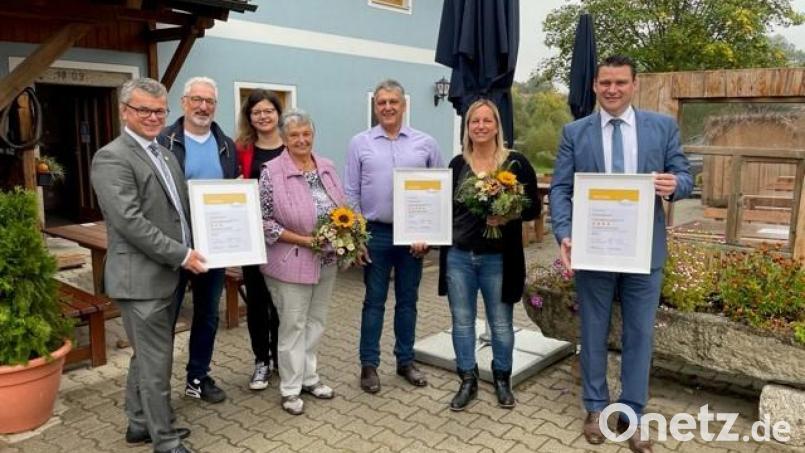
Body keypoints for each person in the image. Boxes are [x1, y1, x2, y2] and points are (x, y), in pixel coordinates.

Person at [550, 55, 692, 453]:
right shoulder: (574, 132)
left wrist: (674, 184)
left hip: (644, 252)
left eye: (620, 83)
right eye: (605, 83)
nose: (612, 90)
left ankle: (632, 414)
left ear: (634, 85)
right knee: (592, 330)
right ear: (595, 85)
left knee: (640, 335)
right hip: (594, 250)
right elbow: (560, 189)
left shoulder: (661, 128)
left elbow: (684, 175)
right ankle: (595, 407)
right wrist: (563, 232)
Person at [91, 77, 205, 453]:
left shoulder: (165, 154)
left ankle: (139, 424)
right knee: (157, 362)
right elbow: (130, 222)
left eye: (160, 111)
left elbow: (180, 211)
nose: (154, 117)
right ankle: (165, 440)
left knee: (147, 355)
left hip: (167, 275)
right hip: (141, 279)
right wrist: (182, 255)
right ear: (125, 111)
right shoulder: (112, 157)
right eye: (144, 110)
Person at [437, 99, 539, 411]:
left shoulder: (515, 163)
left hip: (499, 259)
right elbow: (441, 209)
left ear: (497, 125)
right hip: (459, 257)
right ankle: (467, 379)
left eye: (486, 121)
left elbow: (534, 206)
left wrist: (508, 215)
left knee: (501, 323)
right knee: (463, 322)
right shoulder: (457, 164)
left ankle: (501, 378)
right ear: (467, 128)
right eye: (474, 122)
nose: (480, 126)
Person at [345, 79, 444, 394]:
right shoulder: (359, 143)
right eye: (382, 102)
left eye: (393, 102)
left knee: (408, 301)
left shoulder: (425, 143)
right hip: (375, 233)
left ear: (404, 105)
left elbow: (438, 189)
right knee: (373, 302)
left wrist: (428, 232)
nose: (387, 107)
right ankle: (369, 365)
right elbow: (351, 192)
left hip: (413, 237)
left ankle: (405, 361)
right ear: (376, 107)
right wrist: (356, 238)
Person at [259, 109, 345, 415]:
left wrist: (347, 234)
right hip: (290, 261)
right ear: (283, 138)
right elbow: (264, 222)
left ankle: (310, 378)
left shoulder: (327, 166)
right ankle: (290, 389)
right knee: (293, 326)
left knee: (316, 322)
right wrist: (306, 240)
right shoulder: (271, 171)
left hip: (327, 260)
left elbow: (342, 206)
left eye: (306, 133)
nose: (301, 139)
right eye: (294, 134)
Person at [158, 76, 238, 404]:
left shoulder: (226, 144)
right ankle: (156, 387)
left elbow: (232, 190)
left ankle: (197, 377)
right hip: (174, 247)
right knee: (165, 318)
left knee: (207, 315)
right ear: (184, 102)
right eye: (197, 100)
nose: (203, 107)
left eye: (209, 101)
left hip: (213, 247)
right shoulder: (164, 140)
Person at [235, 90, 285, 390]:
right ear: (249, 117)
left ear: (278, 113)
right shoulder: (241, 149)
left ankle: (283, 357)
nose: (263, 116)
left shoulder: (291, 146)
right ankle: (261, 360)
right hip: (252, 237)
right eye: (257, 112)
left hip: (286, 238)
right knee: (257, 300)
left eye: (269, 110)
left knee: (284, 301)